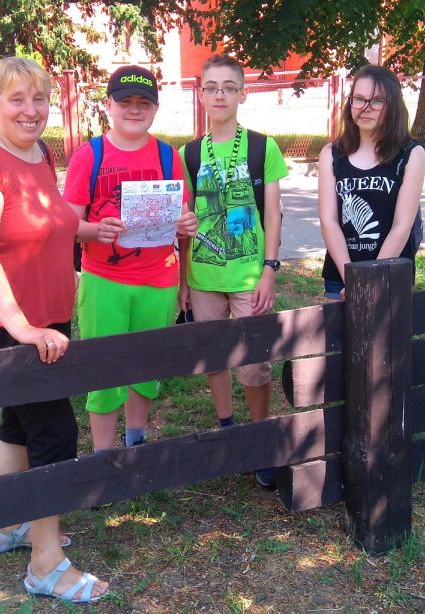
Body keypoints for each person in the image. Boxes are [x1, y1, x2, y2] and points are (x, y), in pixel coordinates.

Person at [0, 57, 118, 604]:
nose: (30, 110)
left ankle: (13, 523)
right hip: (4, 322)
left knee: (18, 420)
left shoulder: (38, 151)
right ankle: (46, 564)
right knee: (54, 430)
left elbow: (43, 220)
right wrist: (21, 327)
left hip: (45, 316)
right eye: (16, 99)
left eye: (39, 98)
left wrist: (91, 230)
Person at [63, 65, 197, 453]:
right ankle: (104, 456)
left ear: (155, 109)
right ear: (108, 105)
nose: (134, 110)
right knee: (104, 371)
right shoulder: (90, 156)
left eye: (144, 103)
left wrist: (187, 223)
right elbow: (68, 224)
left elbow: (182, 217)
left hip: (158, 280)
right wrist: (94, 230)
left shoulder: (168, 156)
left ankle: (135, 440)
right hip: (104, 281)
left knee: (146, 368)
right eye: (125, 102)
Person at [178, 54, 289, 489]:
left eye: (228, 87)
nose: (219, 94)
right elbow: (185, 220)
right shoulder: (188, 154)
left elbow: (274, 214)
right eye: (211, 87)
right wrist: (183, 280)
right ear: (201, 94)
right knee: (215, 358)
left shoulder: (263, 147)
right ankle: (227, 428)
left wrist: (269, 269)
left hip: (248, 277)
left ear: (242, 94)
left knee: (254, 365)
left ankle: (259, 439)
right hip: (203, 276)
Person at [318, 64, 424, 300]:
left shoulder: (410, 154)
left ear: (393, 105)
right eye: (359, 99)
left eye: (377, 101)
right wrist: (352, 280)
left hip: (390, 276)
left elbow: (402, 226)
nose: (365, 108)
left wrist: (368, 280)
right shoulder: (331, 154)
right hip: (340, 276)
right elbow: (328, 221)